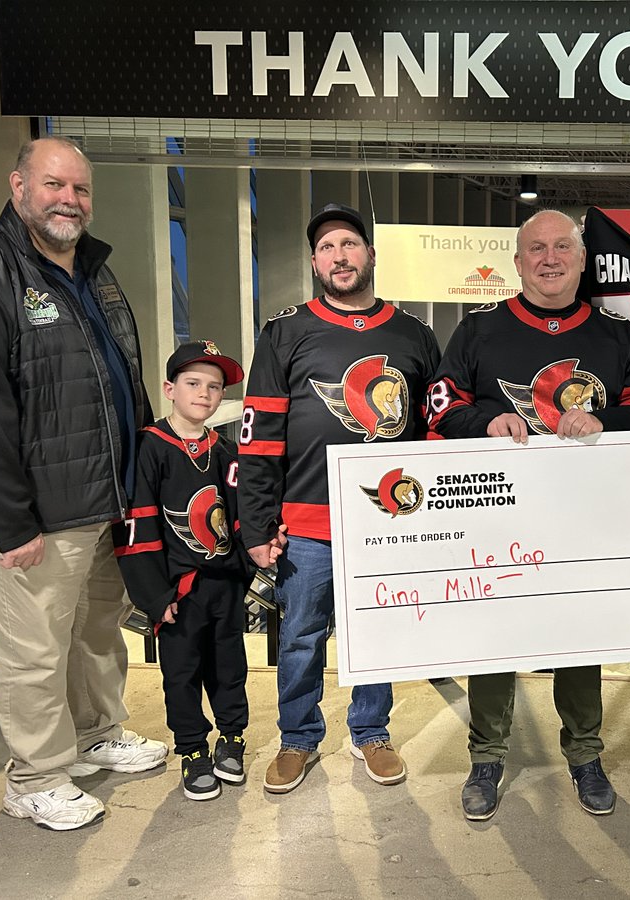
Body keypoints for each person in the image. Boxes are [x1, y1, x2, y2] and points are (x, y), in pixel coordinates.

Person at [0, 137, 167, 830]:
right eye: (54, 184)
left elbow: (121, 384)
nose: (69, 199)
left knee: (96, 632)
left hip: (102, 501)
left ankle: (95, 732)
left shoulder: (92, 270)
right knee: (32, 655)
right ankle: (34, 778)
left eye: (80, 189)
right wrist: (11, 520)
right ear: (19, 185)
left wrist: (139, 488)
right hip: (34, 516)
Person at [427, 209, 630, 821]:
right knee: (495, 639)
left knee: (577, 635)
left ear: (583, 260)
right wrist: (486, 420)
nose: (550, 258)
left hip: (585, 519)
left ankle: (585, 753)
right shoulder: (478, 329)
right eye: (537, 248)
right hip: (497, 521)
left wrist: (606, 421)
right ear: (519, 260)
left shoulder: (615, 334)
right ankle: (487, 755)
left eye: (563, 247)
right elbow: (442, 408)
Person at [239, 203, 440, 795]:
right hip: (307, 524)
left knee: (377, 630)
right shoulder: (285, 332)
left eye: (350, 244)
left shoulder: (413, 334)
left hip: (388, 518)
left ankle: (369, 730)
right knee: (300, 636)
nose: (340, 256)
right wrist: (255, 525)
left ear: (370, 255)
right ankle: (298, 739)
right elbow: (259, 437)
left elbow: (434, 430)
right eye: (327, 248)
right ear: (315, 262)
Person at [112, 341, 272, 801]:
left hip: (223, 584)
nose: (204, 393)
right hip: (178, 591)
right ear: (170, 389)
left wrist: (247, 567)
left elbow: (239, 514)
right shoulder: (150, 447)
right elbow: (138, 526)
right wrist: (155, 597)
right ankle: (191, 750)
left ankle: (232, 737)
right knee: (181, 674)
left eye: (215, 386)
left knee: (230, 666)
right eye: (193, 383)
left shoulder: (223, 450)